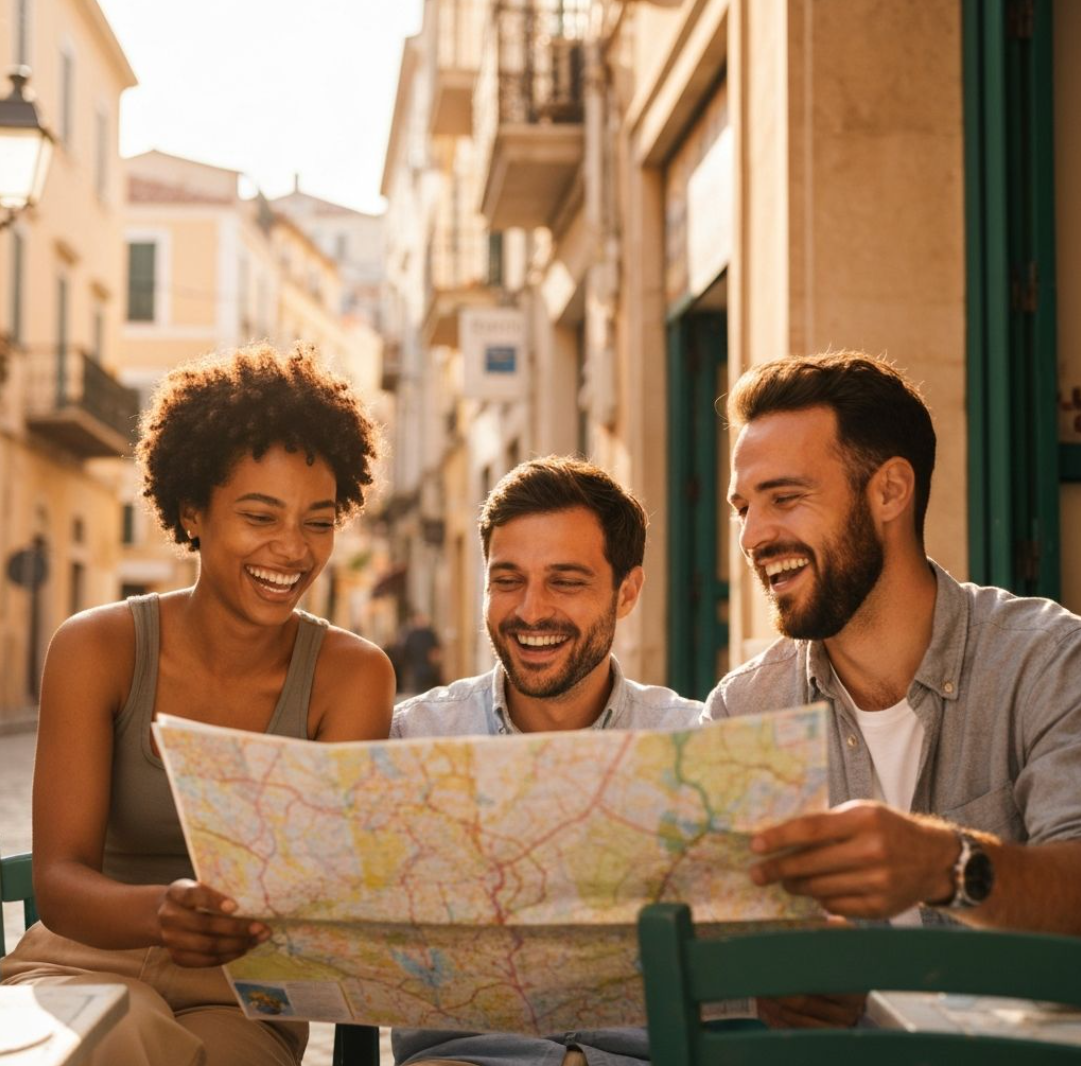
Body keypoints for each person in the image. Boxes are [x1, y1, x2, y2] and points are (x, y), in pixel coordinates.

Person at [1, 344, 396, 1066]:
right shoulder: (97, 648)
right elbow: (59, 881)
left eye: (317, 521)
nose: (293, 549)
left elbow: (329, 892)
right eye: (260, 515)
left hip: (241, 994)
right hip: (79, 962)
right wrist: (162, 912)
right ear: (192, 510)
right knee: (123, 1031)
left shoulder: (352, 676)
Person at [713, 351, 1081, 964]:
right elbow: (727, 949)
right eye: (744, 509)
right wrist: (780, 989)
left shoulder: (1046, 662)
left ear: (889, 491)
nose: (753, 537)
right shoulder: (743, 710)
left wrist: (947, 866)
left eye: (785, 498)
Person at [390, 455, 703, 1066]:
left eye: (566, 581)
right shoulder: (412, 741)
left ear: (627, 592)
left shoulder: (696, 745)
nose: (531, 611)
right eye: (507, 580)